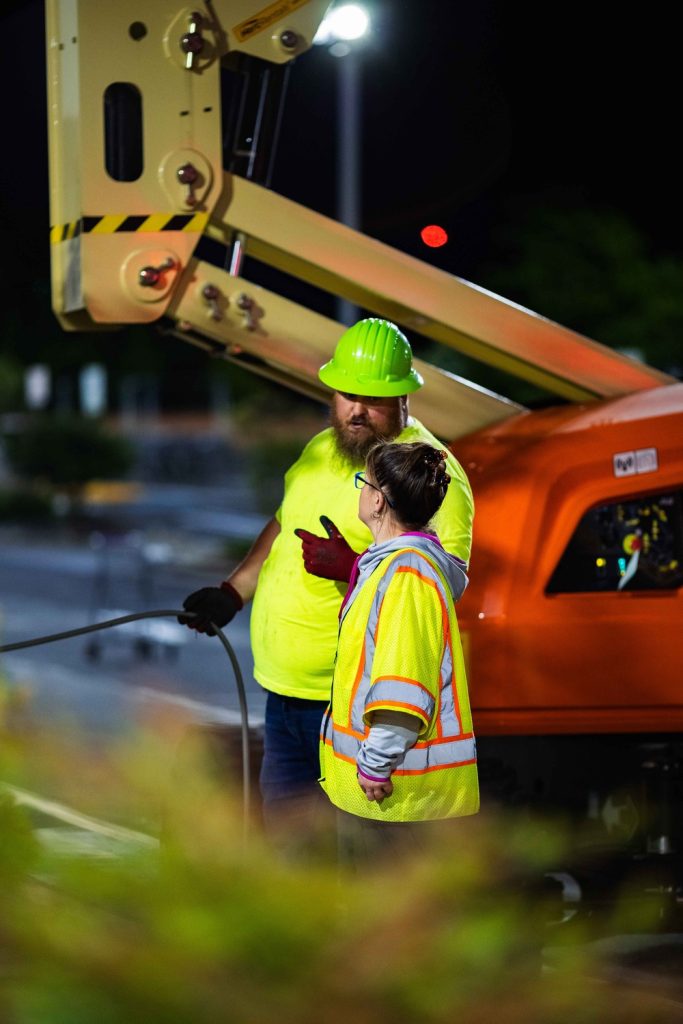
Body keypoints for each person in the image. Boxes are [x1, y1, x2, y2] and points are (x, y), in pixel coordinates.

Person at [180, 318, 474, 840]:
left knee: (352, 866)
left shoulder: (428, 473)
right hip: (284, 694)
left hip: (351, 712)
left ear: (404, 397)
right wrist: (234, 591)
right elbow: (284, 523)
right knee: (295, 861)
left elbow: (442, 584)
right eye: (345, 395)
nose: (356, 410)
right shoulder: (322, 449)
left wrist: (352, 568)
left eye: (373, 398)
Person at [319, 441, 478, 861]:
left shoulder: (406, 574)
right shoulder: (395, 565)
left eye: (364, 482)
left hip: (396, 795)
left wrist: (375, 765)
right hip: (390, 791)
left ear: (376, 500)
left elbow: (403, 687)